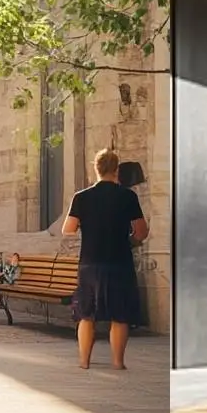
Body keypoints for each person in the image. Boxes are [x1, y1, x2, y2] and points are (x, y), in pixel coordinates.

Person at [64, 149, 149, 370]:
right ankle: (118, 362)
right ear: (116, 170)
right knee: (119, 315)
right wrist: (129, 239)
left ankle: (84, 362)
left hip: (90, 262)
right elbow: (141, 231)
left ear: (96, 169)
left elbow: (68, 229)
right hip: (119, 261)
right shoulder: (128, 196)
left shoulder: (81, 197)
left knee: (86, 314)